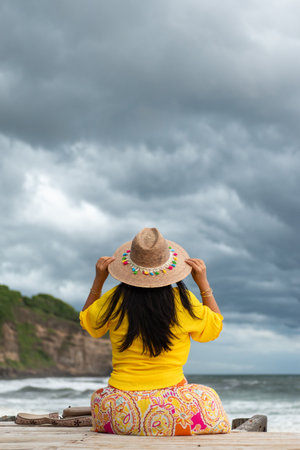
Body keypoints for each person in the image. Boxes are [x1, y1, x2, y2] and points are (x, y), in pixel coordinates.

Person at [80, 227, 231, 436]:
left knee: (99, 399)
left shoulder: (114, 299)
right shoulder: (183, 301)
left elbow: (89, 324)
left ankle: (134, 426)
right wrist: (203, 283)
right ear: (170, 268)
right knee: (208, 395)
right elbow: (214, 328)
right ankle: (166, 426)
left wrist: (99, 280)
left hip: (120, 408)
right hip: (173, 407)